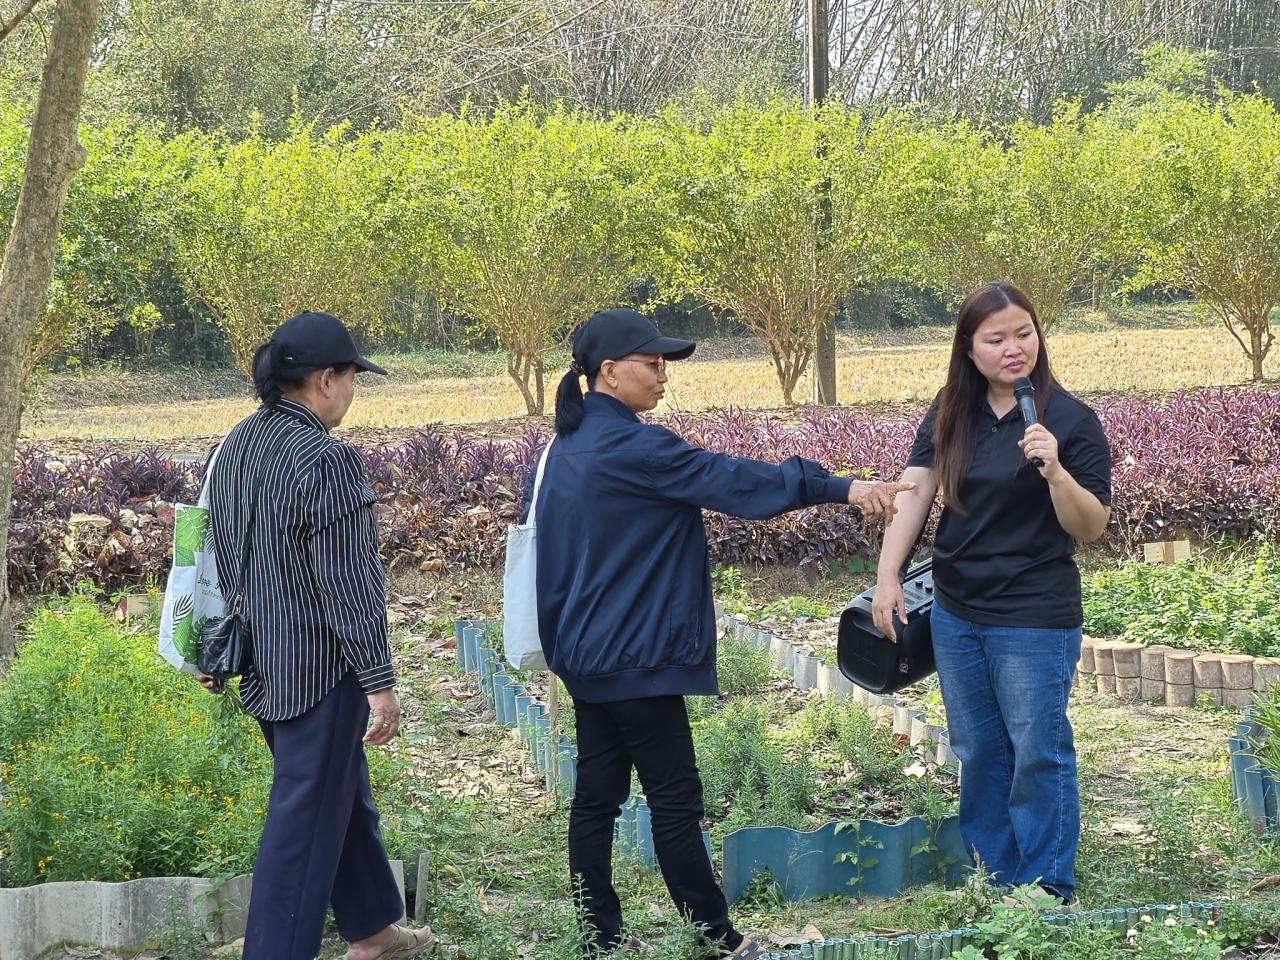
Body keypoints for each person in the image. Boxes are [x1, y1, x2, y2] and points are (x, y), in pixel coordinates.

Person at [527, 307, 913, 958]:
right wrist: (841, 487)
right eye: (652, 363)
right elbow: (735, 481)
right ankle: (718, 938)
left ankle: (599, 936)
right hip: (636, 660)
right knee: (674, 800)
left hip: (588, 656)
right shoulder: (638, 449)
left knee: (596, 797)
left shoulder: (565, 450)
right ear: (609, 372)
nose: (663, 375)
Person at [198, 311, 438, 960]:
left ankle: (373, 932)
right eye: (353, 378)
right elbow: (351, 585)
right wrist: (379, 683)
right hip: (320, 674)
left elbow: (204, 553)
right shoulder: (326, 460)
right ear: (325, 380)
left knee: (339, 794)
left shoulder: (234, 446)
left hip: (261, 663)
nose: (353, 392)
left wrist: (205, 648)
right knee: (302, 827)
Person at [871, 282, 1112, 905]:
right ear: (969, 349)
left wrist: (1056, 471)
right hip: (957, 612)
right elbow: (915, 493)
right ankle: (996, 873)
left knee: (1037, 750)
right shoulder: (951, 410)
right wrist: (888, 574)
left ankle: (1046, 885)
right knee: (978, 748)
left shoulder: (1069, 420)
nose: (1014, 348)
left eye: (1024, 333)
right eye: (996, 338)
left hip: (1033, 615)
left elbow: (1090, 526)